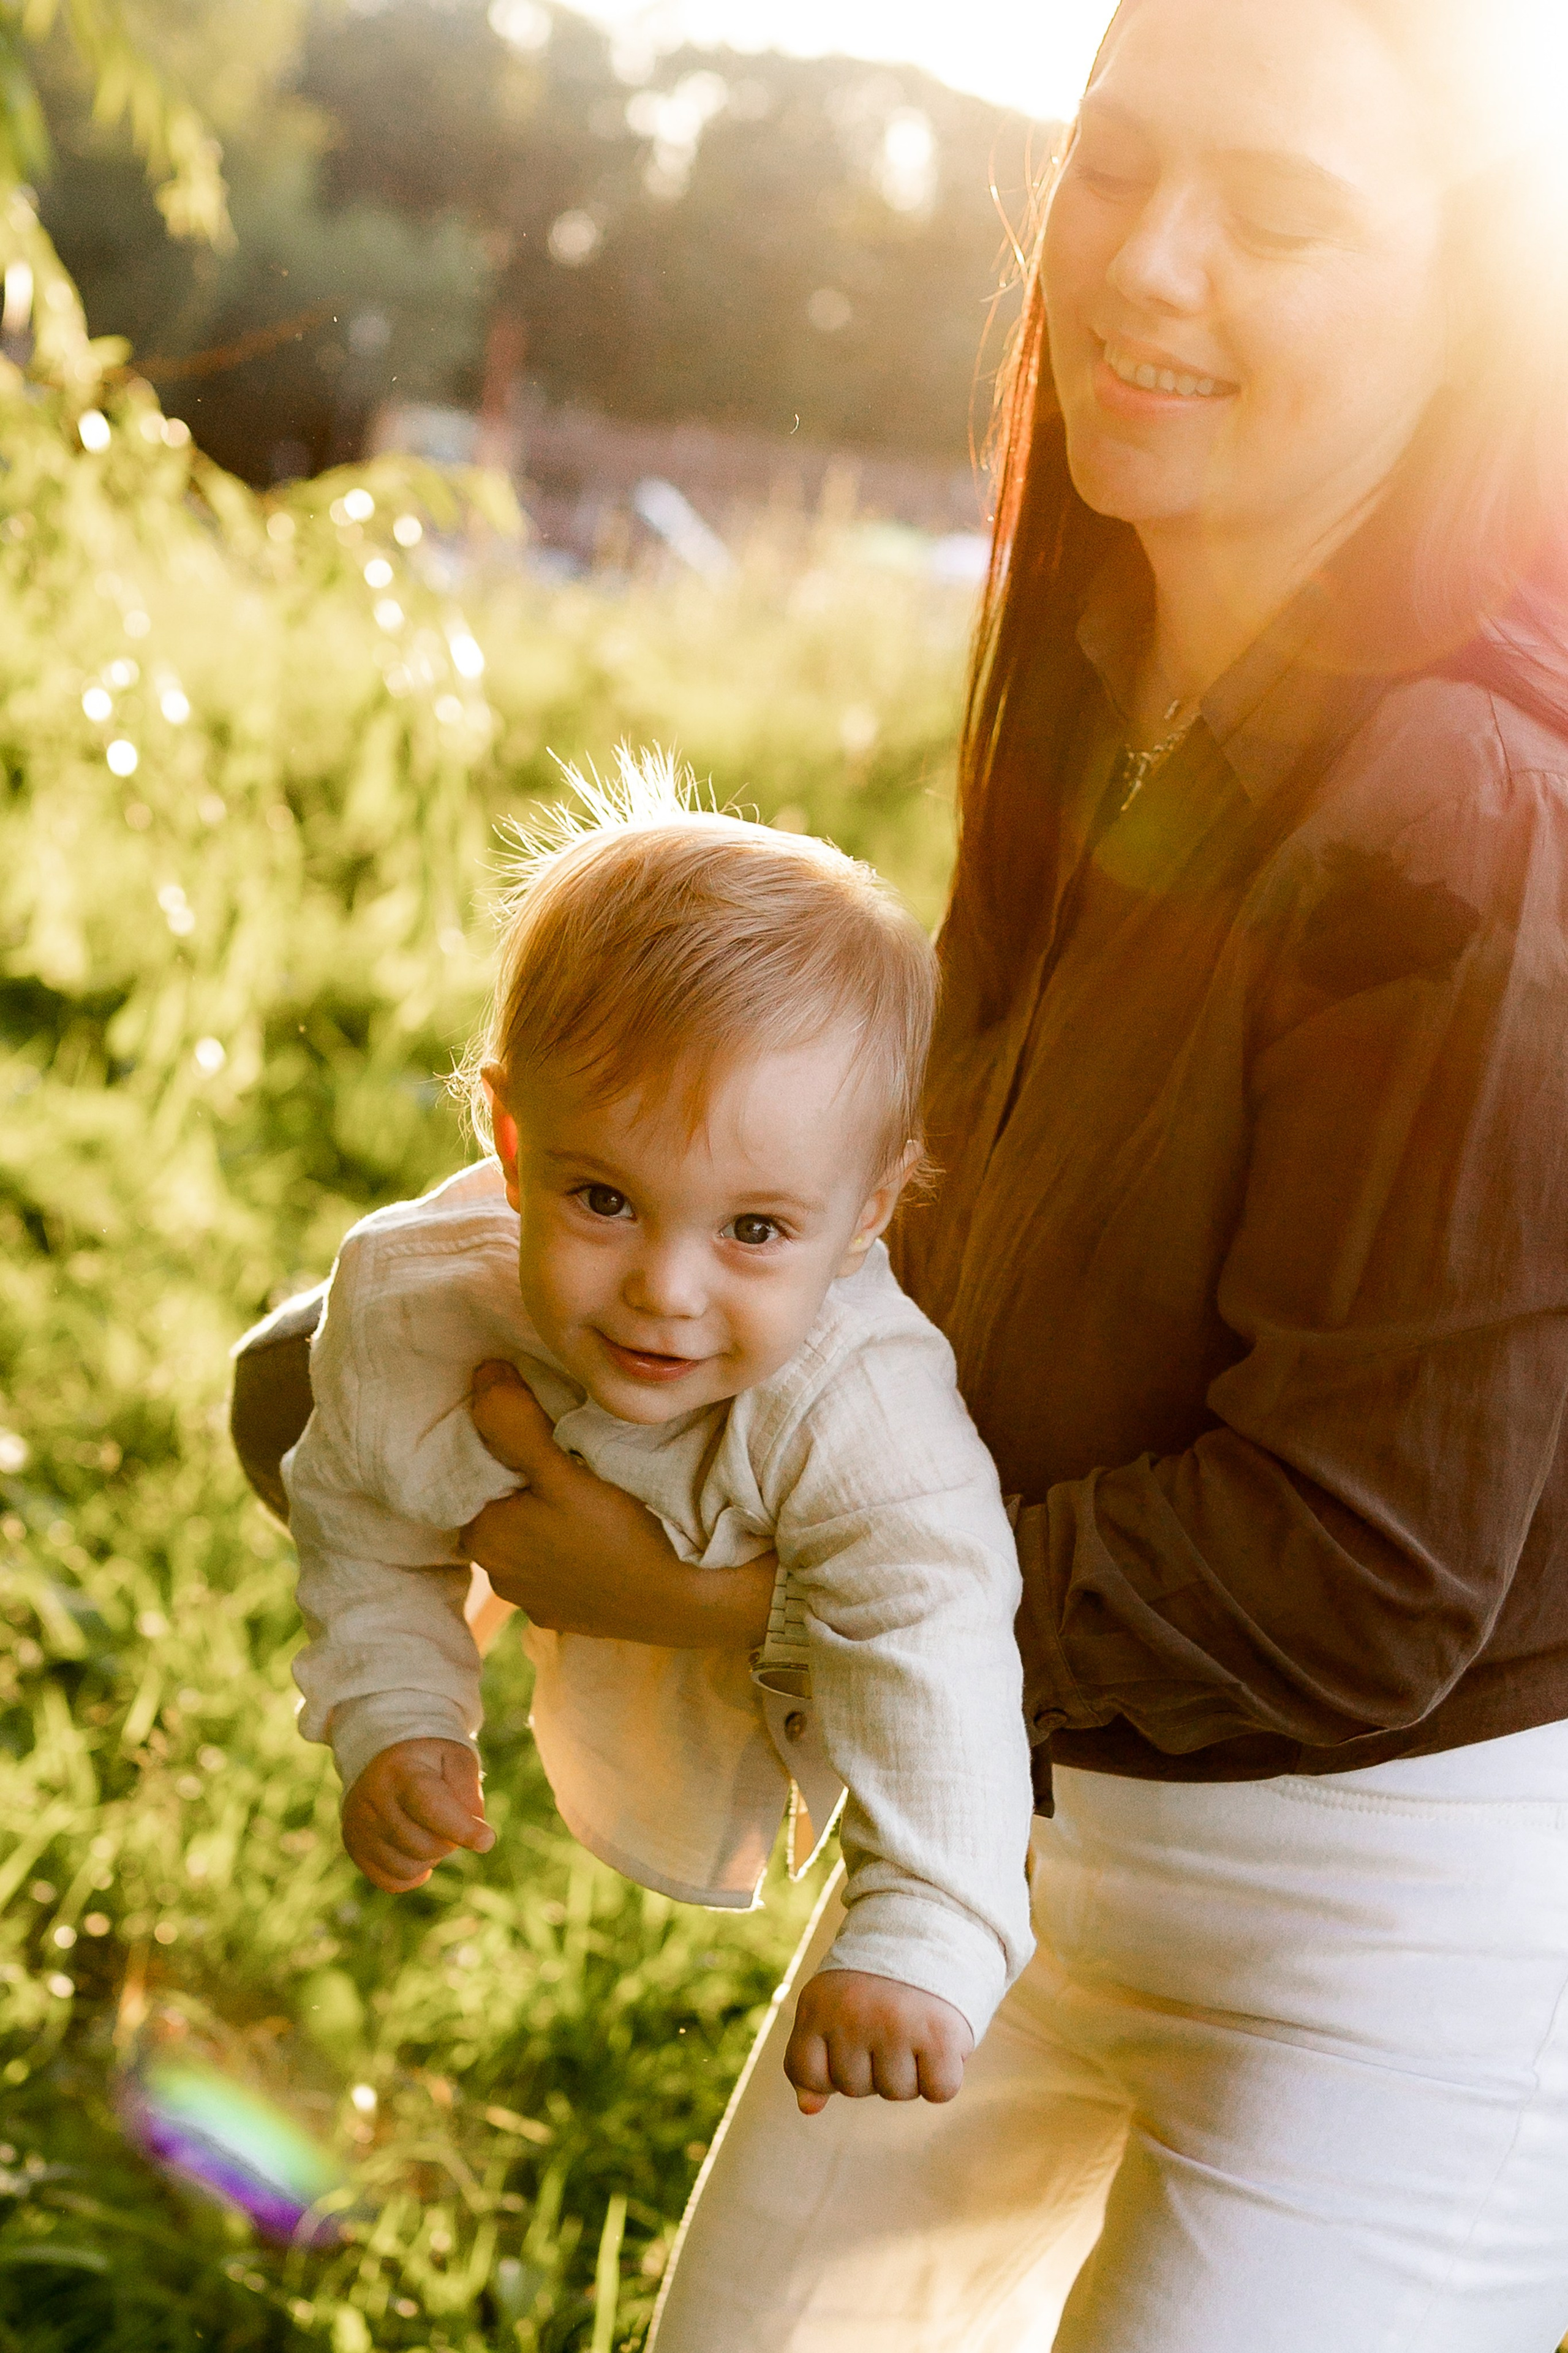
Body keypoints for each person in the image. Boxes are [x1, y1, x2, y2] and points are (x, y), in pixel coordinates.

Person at [228, 0, 1568, 2337]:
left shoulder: (1470, 808)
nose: (1147, 262)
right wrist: (458, 1335)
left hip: (1386, 1929)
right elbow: (962, 1223)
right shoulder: (1100, 639)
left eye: (1276, 215)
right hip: (991, 1827)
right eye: (1118, 163)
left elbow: (1358, 1584)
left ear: (1467, 300)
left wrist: (715, 1593)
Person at [276, 759, 1034, 2116]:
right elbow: (361, 1519)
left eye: (754, 1228)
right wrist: (396, 1712)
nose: (665, 1290)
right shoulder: (416, 1304)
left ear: (868, 1211)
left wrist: (925, 1931)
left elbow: (935, 1633)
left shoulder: (858, 1398)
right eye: (606, 1199)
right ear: (513, 1141)